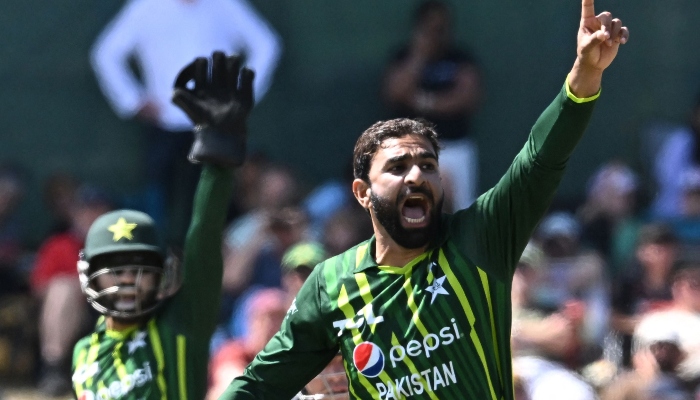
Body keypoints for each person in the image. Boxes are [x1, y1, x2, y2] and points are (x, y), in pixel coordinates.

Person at [219, 1, 629, 398]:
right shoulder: (330, 285)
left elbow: (540, 159)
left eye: (428, 165)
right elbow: (259, 385)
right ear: (362, 193)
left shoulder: (479, 239)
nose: (417, 175)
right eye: (398, 167)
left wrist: (584, 74)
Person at [71, 51, 255, 399]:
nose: (126, 278)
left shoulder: (183, 323)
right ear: (90, 274)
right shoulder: (84, 352)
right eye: (114, 268)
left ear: (163, 276)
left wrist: (219, 166)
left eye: (139, 268)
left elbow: (203, 239)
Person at [90, 0, 281, 244]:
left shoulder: (225, 5)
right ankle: (156, 264)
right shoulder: (146, 7)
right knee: (156, 206)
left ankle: (205, 271)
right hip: (163, 126)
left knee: (209, 207)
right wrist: (133, 100)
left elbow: (266, 44)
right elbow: (106, 53)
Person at [383, 0, 482, 212]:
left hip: (455, 145)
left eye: (441, 27)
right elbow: (395, 92)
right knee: (418, 206)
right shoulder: (403, 57)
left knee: (459, 211)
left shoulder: (459, 58)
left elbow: (467, 98)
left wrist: (422, 101)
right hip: (413, 146)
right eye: (431, 27)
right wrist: (419, 54)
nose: (436, 34)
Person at [31, 184, 113, 397]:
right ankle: (54, 369)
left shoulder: (119, 246)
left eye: (98, 211)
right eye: (86, 210)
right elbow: (39, 288)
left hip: (112, 310)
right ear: (74, 214)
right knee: (61, 289)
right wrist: (78, 287)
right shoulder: (59, 244)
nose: (91, 217)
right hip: (69, 315)